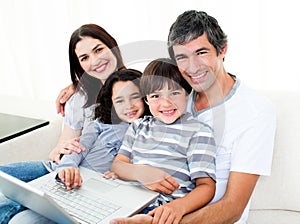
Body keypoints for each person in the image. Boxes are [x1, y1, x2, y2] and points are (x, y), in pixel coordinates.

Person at [110, 10, 276, 224]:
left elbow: (233, 208)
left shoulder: (255, 111)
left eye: (201, 52)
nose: (193, 67)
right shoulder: (176, 94)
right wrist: (78, 89)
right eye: (182, 57)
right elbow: (129, 86)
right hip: (150, 207)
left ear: (222, 49)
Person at [5, 69, 149, 224]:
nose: (128, 106)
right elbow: (78, 148)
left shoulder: (150, 129)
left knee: (20, 217)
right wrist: (67, 166)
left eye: (135, 97)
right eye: (119, 100)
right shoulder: (100, 124)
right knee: (5, 183)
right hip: (60, 170)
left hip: (88, 186)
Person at [109, 58, 216, 224]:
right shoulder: (139, 126)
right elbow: (118, 165)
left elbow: (206, 186)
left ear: (187, 94)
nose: (166, 103)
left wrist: (179, 207)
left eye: (174, 93)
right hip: (130, 199)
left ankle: (145, 219)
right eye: (155, 96)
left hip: (166, 207)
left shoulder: (198, 131)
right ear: (146, 100)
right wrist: (140, 172)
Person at [49, 23, 125, 163]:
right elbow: (55, 154)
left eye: (99, 50)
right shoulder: (79, 99)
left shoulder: (143, 88)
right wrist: (63, 153)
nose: (95, 61)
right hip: (70, 172)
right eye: (84, 58)